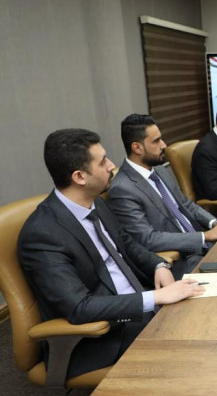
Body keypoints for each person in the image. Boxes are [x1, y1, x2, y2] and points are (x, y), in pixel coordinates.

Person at [18, 128, 204, 378]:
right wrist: (156, 297)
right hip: (104, 335)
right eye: (103, 161)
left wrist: (159, 266)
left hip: (138, 304)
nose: (111, 166)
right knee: (194, 350)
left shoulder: (95, 202)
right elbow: (80, 307)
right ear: (79, 177)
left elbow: (127, 244)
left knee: (204, 308)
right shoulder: (42, 234)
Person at [108, 114, 217, 278]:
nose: (163, 145)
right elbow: (148, 239)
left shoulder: (159, 169)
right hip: (182, 260)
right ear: (137, 148)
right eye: (156, 141)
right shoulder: (122, 189)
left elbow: (185, 204)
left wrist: (216, 223)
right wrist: (205, 236)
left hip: (203, 245)